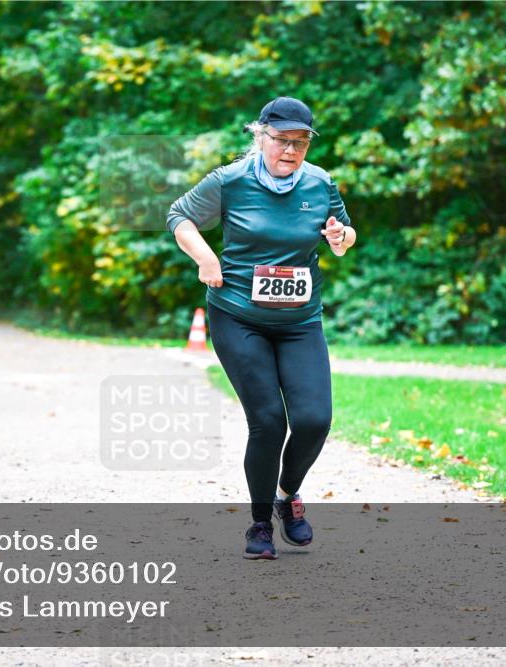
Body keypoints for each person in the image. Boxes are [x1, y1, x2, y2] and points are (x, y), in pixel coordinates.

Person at [166, 97, 357, 560]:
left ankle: (287, 496)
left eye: (301, 142)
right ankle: (258, 525)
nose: (291, 151)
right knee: (268, 421)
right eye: (282, 141)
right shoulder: (230, 181)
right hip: (237, 315)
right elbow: (179, 217)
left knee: (314, 420)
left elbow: (345, 235)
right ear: (261, 136)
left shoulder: (320, 182)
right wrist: (206, 258)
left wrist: (340, 237)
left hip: (299, 320)